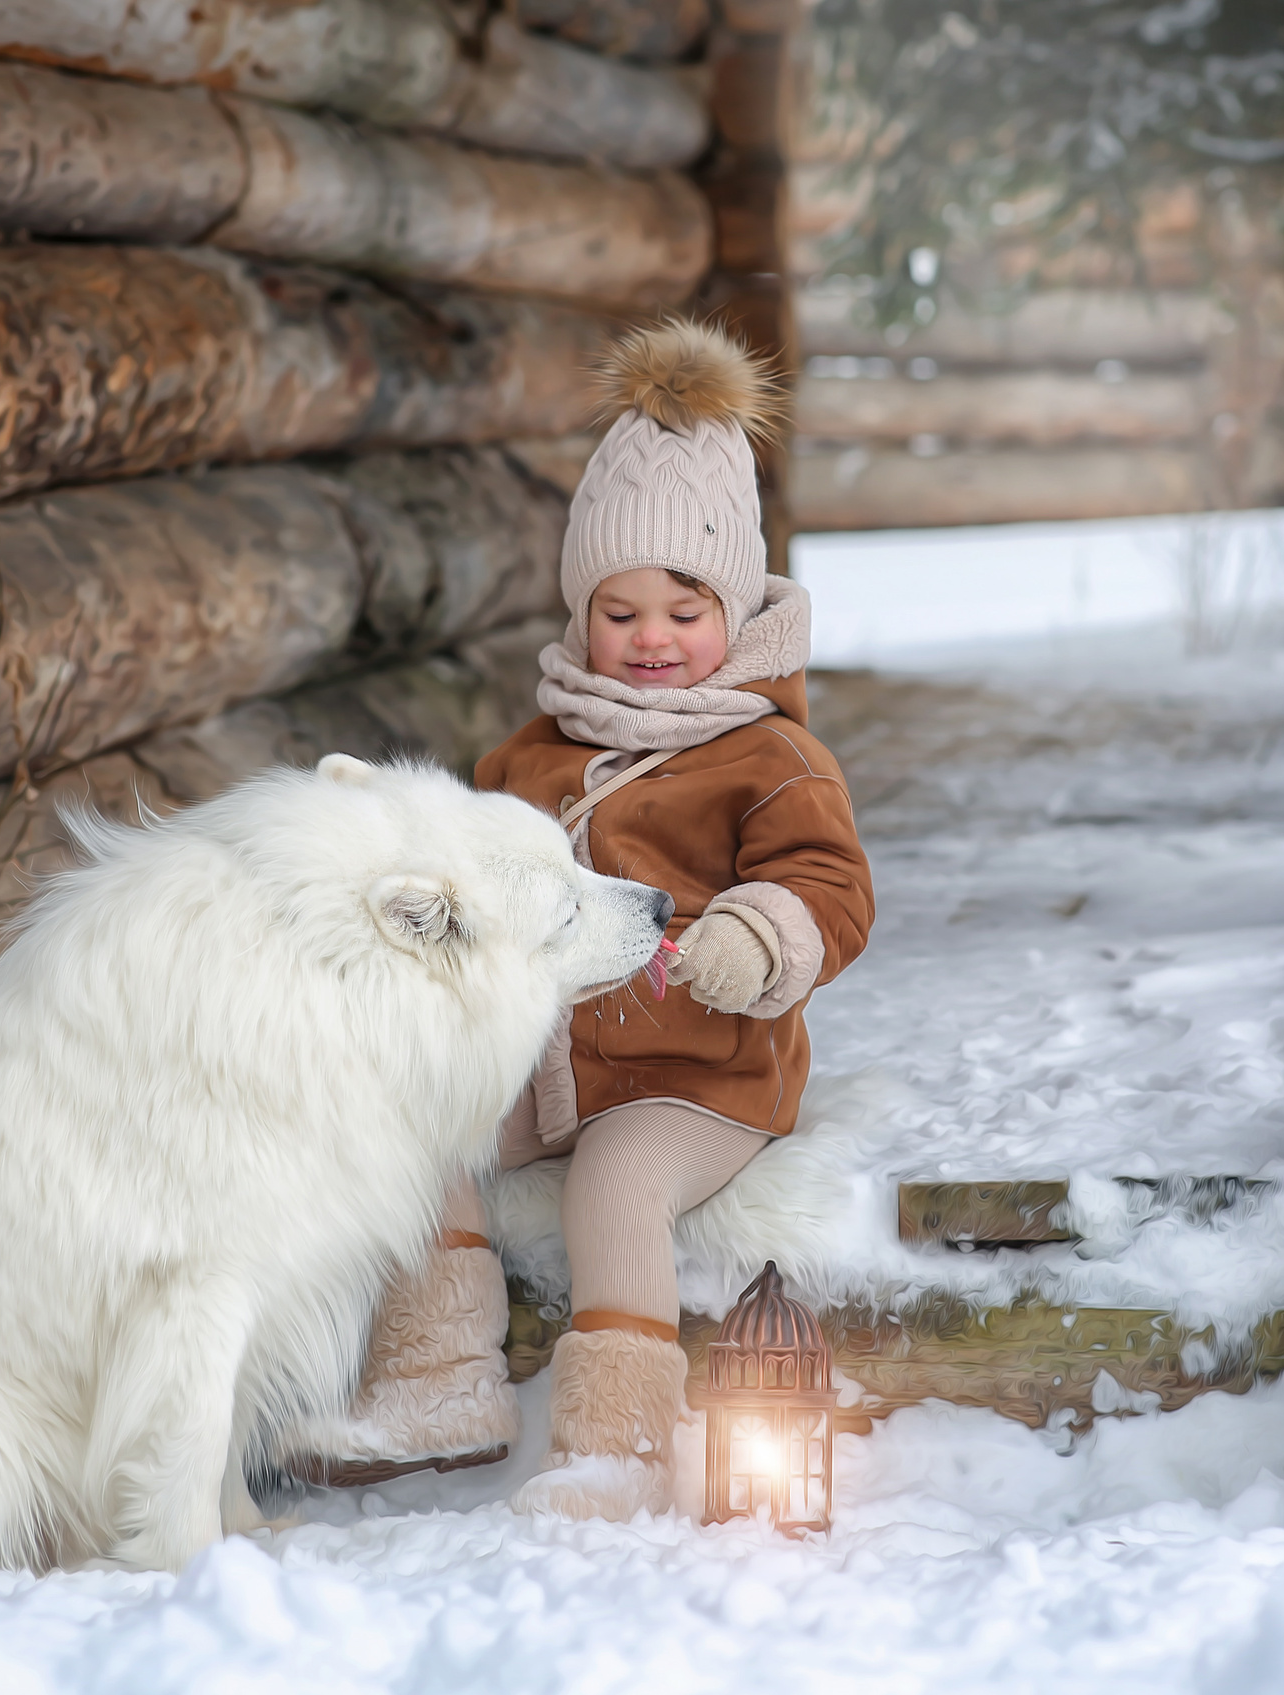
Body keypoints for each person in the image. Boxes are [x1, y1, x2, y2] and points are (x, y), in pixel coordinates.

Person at [287, 318, 875, 1521]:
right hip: (547, 1061)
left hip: (697, 1077)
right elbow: (461, 877)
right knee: (423, 1127)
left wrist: (757, 937)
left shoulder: (770, 756)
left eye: (682, 607)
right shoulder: (532, 755)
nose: (650, 638)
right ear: (579, 614)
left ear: (739, 607)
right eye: (619, 611)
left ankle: (613, 1447)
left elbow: (831, 888)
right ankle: (438, 1379)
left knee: (614, 1179)